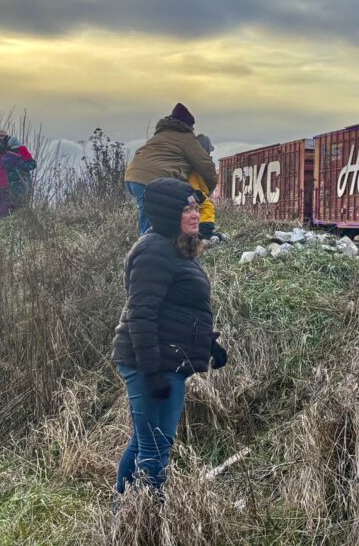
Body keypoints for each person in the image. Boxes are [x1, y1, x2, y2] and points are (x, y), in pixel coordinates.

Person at [111, 178, 228, 498]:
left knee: (144, 443)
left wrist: (209, 344)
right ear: (167, 214)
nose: (196, 215)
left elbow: (180, 309)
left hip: (166, 359)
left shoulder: (176, 249)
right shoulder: (154, 252)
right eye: (187, 209)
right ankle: (147, 517)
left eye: (196, 208)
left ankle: (122, 512)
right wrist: (151, 373)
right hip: (151, 363)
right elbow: (141, 315)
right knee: (155, 448)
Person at [124, 103, 218, 235]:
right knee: (155, 224)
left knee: (152, 217)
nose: (193, 130)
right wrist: (209, 188)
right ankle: (154, 246)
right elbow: (205, 165)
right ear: (187, 125)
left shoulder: (160, 135)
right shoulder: (186, 137)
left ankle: (151, 243)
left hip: (132, 177)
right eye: (192, 127)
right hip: (152, 180)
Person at [188, 134, 218, 240]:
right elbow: (193, 178)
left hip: (192, 191)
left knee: (193, 210)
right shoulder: (199, 161)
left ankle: (194, 232)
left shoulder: (191, 158)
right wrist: (196, 191)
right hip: (193, 191)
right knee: (207, 207)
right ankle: (205, 233)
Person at [3, 136, 37, 211]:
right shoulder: (21, 151)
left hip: (10, 182)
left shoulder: (6, 155)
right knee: (21, 204)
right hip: (22, 182)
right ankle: (20, 216)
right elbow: (33, 165)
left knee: (12, 204)